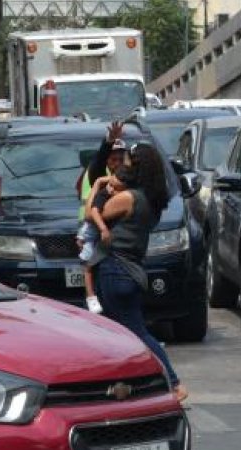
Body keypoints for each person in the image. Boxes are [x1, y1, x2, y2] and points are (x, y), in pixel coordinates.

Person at [93, 143, 188, 403]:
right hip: (131, 270)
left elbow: (95, 214)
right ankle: (125, 386)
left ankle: (173, 382)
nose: (124, 166)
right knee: (117, 335)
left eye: (128, 161)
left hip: (116, 269)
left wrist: (102, 185)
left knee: (137, 332)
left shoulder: (128, 198)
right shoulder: (151, 201)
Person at [78, 163, 136, 314]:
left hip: (100, 239)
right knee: (88, 265)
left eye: (117, 188)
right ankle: (90, 297)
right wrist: (103, 229)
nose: (111, 189)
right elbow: (92, 213)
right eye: (110, 185)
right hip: (92, 232)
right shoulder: (104, 194)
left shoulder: (123, 197)